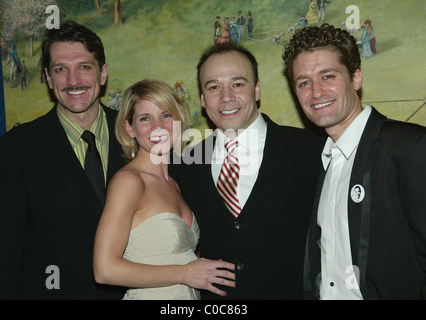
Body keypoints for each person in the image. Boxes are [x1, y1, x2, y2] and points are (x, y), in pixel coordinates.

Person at [0, 21, 127, 299]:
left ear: (103, 73)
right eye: (61, 69)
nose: (73, 81)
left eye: (84, 66)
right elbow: (3, 251)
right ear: (48, 78)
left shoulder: (135, 133)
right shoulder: (19, 146)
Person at [169, 42, 324, 299]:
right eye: (214, 87)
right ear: (203, 100)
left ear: (257, 89)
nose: (226, 96)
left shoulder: (311, 150)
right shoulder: (186, 164)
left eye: (238, 84)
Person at [282, 24, 426, 299]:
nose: (316, 92)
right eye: (303, 82)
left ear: (356, 79)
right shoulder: (322, 161)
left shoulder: (409, 148)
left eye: (328, 76)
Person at [93, 79, 235, 300]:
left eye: (166, 115)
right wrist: (185, 273)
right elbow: (104, 270)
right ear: (129, 128)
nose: (158, 126)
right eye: (145, 118)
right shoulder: (129, 182)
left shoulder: (175, 184)